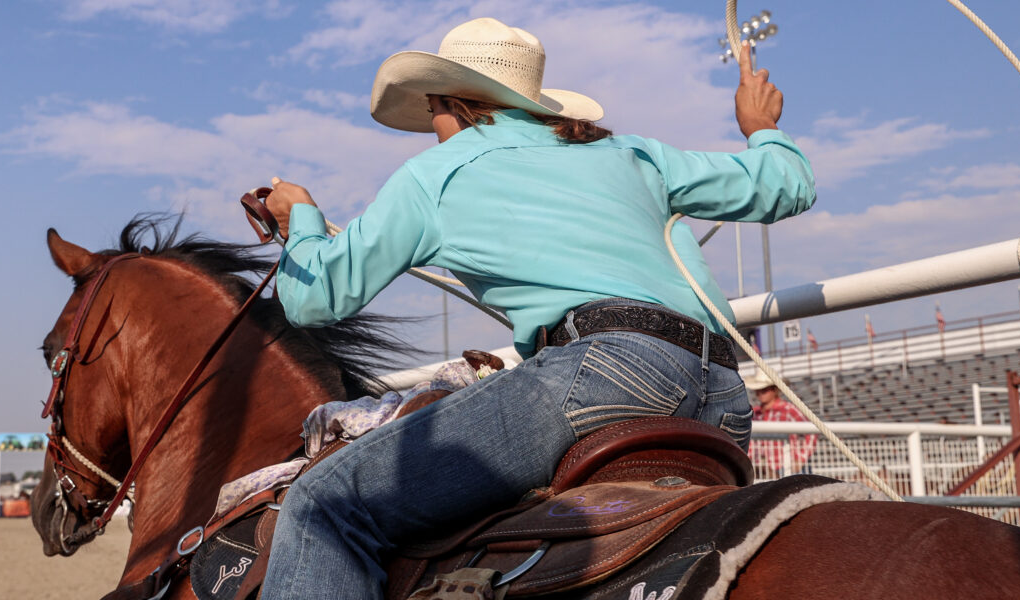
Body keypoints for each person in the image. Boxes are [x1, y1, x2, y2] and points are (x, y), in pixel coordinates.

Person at [259, 17, 815, 598]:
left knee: (324, 506)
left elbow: (313, 298)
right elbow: (786, 182)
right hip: (723, 392)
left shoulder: (437, 177)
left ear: (449, 101)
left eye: (431, 112)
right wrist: (761, 127)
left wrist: (299, 215)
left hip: (603, 374)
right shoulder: (629, 152)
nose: (433, 128)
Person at [744, 370, 817, 473]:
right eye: (758, 390)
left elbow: (812, 432)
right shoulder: (754, 413)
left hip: (786, 466)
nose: (760, 393)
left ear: (774, 389)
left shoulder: (788, 409)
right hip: (761, 468)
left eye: (764, 389)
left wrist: (800, 459)